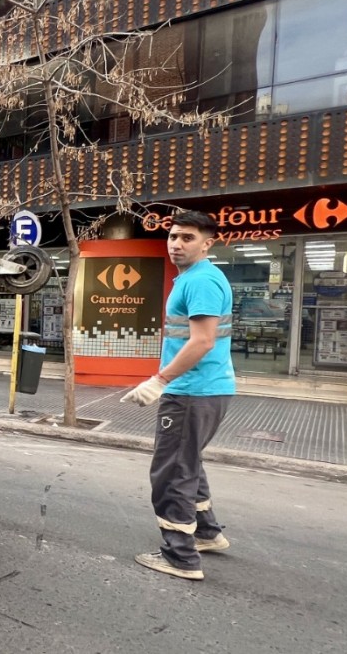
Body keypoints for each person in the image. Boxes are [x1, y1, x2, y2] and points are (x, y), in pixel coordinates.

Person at [120, 210, 236, 581]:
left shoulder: (201, 280)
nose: (177, 244)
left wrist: (159, 380)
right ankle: (205, 533)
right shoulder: (195, 278)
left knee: (172, 472)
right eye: (173, 236)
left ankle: (180, 556)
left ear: (207, 243)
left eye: (187, 238)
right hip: (204, 389)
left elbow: (202, 341)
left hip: (191, 392)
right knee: (188, 463)